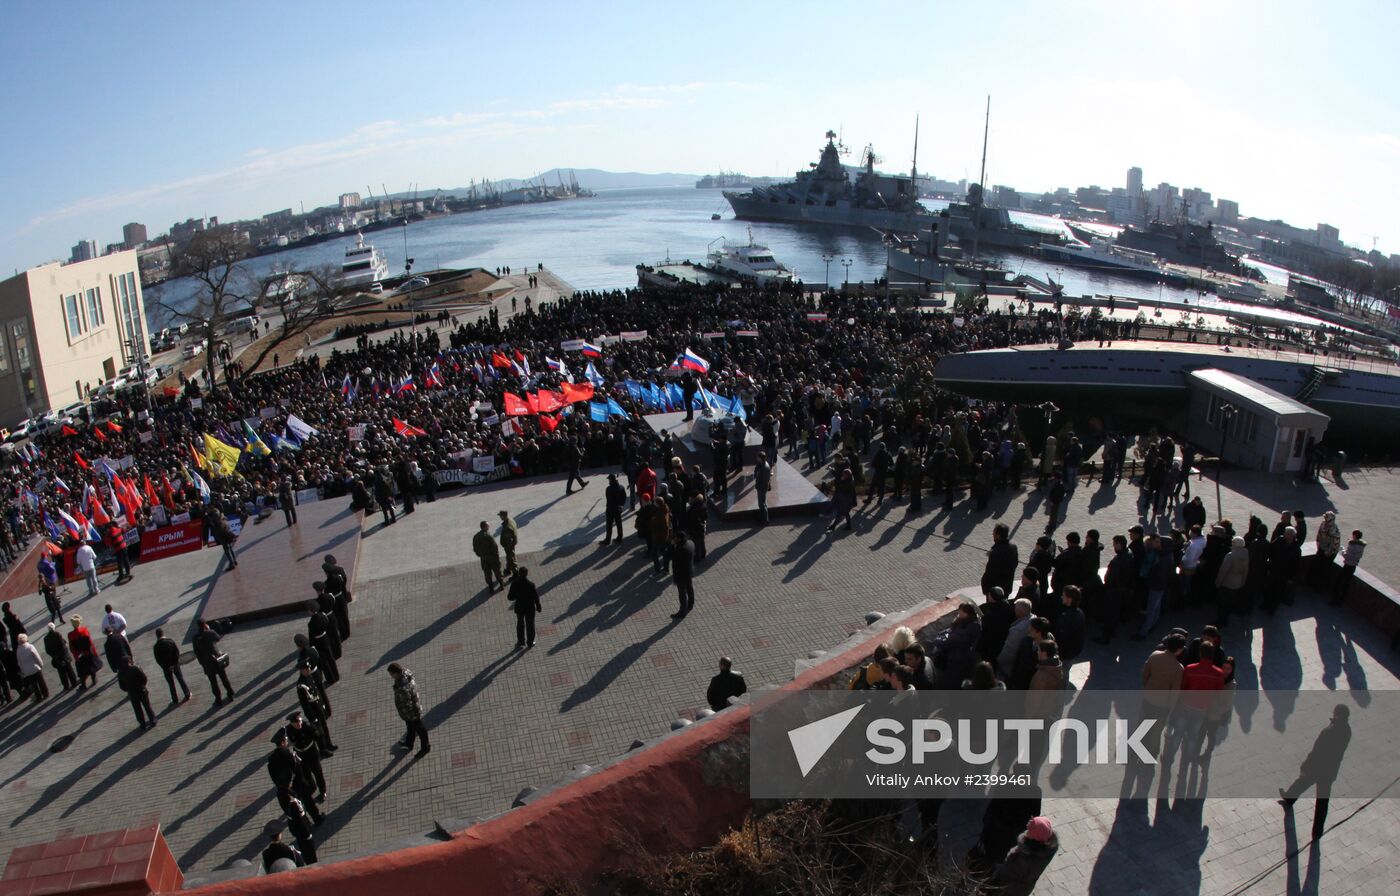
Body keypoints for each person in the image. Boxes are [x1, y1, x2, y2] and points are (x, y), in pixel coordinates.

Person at [1280, 704, 1352, 842]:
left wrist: (1305, 766)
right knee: (1322, 801)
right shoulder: (1348, 731)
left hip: (1317, 768)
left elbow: (1316, 751)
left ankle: (1289, 798)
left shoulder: (1328, 731)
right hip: (1330, 771)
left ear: (1337, 714)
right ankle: (1317, 832)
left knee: (1302, 782)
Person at [986, 816, 1060, 896]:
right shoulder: (1046, 848)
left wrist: (996, 868)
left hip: (1011, 889)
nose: (1027, 826)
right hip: (1023, 888)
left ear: (1035, 837)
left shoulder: (1025, 859)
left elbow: (1009, 873)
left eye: (1030, 829)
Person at [267, 728, 324, 823]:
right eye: (286, 740)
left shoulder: (271, 760)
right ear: (282, 743)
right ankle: (317, 819)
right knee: (309, 802)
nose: (287, 742)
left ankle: (306, 823)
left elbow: (273, 777)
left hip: (286, 789)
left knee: (296, 808)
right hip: (299, 784)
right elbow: (299, 772)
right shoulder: (290, 755)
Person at [285, 710, 329, 800]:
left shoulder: (308, 726)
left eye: (300, 721)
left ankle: (323, 791)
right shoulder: (288, 730)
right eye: (296, 723)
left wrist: (322, 749)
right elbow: (288, 742)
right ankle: (312, 788)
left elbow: (319, 736)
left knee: (318, 772)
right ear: (292, 723)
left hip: (311, 752)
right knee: (306, 774)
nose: (299, 724)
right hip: (300, 754)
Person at [388, 663, 430, 757]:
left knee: (420, 729)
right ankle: (408, 743)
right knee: (410, 727)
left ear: (396, 673)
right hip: (411, 709)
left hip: (411, 712)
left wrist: (409, 715)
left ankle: (425, 747)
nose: (391, 677)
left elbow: (407, 702)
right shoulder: (405, 674)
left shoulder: (402, 686)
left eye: (391, 674)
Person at [192, 618, 235, 706]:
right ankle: (230, 693)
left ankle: (218, 699)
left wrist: (201, 663)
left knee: (213, 682)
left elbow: (196, 652)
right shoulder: (210, 633)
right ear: (205, 624)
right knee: (224, 678)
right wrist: (209, 629)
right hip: (216, 659)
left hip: (206, 662)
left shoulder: (195, 638)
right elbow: (218, 638)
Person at [152, 627, 190, 704]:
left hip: (166, 667)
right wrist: (173, 664)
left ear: (157, 636)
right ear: (163, 633)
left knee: (171, 683)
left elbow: (158, 660)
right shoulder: (170, 641)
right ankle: (187, 693)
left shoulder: (156, 646)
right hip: (175, 664)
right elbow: (176, 653)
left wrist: (165, 666)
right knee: (180, 679)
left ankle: (175, 699)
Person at [117, 657, 157, 731]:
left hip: (132, 693)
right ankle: (152, 719)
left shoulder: (120, 673)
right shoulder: (135, 668)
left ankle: (142, 724)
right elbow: (144, 678)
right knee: (147, 705)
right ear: (129, 661)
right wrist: (142, 685)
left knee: (137, 709)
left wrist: (128, 690)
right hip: (141, 690)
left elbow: (121, 686)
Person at [507, 566, 542, 649]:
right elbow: (535, 597)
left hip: (519, 607)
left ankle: (521, 641)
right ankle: (530, 642)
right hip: (530, 608)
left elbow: (509, 597)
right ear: (527, 574)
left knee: (520, 623)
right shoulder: (531, 584)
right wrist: (538, 606)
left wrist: (518, 596)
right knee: (530, 625)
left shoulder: (514, 584)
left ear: (519, 573)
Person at [982, 523, 1019, 598]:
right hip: (1007, 586)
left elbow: (991, 572)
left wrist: (985, 586)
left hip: (995, 590)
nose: (993, 535)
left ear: (998, 535)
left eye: (994, 533)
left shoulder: (996, 551)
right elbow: (1015, 564)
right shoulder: (1013, 547)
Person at [1330, 530, 1365, 606]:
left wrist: (1342, 550)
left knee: (1338, 583)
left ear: (1355, 536)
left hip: (1347, 565)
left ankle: (1335, 600)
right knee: (1346, 584)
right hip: (1353, 566)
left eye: (1353, 535)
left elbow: (1347, 555)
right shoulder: (1362, 545)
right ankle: (1342, 600)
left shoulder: (1352, 544)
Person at [68, 615, 101, 689]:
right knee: (91, 667)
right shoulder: (84, 630)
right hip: (88, 652)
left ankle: (83, 685)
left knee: (81, 671)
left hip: (79, 655)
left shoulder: (70, 634)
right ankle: (94, 679)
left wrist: (75, 655)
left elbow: (71, 647)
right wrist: (94, 652)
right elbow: (90, 643)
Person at [472, 521, 505, 592]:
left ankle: (491, 588)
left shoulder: (476, 537)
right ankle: (501, 585)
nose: (489, 527)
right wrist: (497, 557)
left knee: (487, 573)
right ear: (484, 527)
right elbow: (495, 547)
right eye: (488, 526)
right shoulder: (488, 536)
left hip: (483, 558)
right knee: (497, 571)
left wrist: (480, 555)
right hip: (492, 557)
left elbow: (475, 549)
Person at [44, 623, 77, 692]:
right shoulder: (58, 634)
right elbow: (63, 646)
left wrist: (54, 656)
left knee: (61, 673)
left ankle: (66, 686)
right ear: (54, 628)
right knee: (69, 670)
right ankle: (74, 683)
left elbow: (47, 650)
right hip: (64, 656)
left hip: (56, 658)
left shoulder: (46, 638)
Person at [15, 633, 47, 703]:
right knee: (41, 682)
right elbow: (37, 656)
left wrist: (23, 671)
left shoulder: (18, 651)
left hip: (27, 671)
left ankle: (38, 697)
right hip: (35, 668)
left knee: (34, 685)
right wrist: (41, 664)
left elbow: (19, 663)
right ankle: (45, 693)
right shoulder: (30, 647)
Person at [670, 532, 696, 619]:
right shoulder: (690, 543)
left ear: (679, 539)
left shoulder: (680, 549)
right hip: (689, 571)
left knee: (682, 593)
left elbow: (671, 556)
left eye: (675, 538)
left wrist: (672, 546)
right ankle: (691, 604)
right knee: (689, 587)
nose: (673, 539)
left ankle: (682, 611)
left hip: (681, 574)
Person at [603, 474, 626, 545]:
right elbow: (624, 497)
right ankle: (620, 537)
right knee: (619, 523)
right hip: (618, 508)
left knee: (609, 525)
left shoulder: (608, 489)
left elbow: (608, 498)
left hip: (610, 509)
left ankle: (608, 540)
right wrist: (621, 505)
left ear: (610, 480)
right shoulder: (621, 487)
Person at [37, 554, 60, 624]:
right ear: (45, 556)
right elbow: (52, 570)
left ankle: (55, 602)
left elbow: (38, 569)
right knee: (53, 590)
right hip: (49, 577)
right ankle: (55, 601)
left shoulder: (39, 563)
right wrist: (52, 565)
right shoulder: (46, 563)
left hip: (45, 577)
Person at [498, 510, 519, 577]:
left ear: (503, 516)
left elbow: (508, 538)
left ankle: (515, 573)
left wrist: (506, 545)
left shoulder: (507, 527)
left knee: (511, 558)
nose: (500, 517)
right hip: (511, 544)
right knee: (509, 557)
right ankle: (508, 569)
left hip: (509, 545)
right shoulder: (511, 520)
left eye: (500, 516)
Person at [753, 454, 771, 524]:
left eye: (757, 457)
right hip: (761, 487)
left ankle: (765, 520)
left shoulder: (765, 467)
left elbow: (764, 480)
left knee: (762, 504)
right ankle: (764, 518)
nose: (756, 458)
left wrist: (759, 486)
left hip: (762, 488)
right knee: (762, 503)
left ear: (760, 458)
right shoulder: (762, 464)